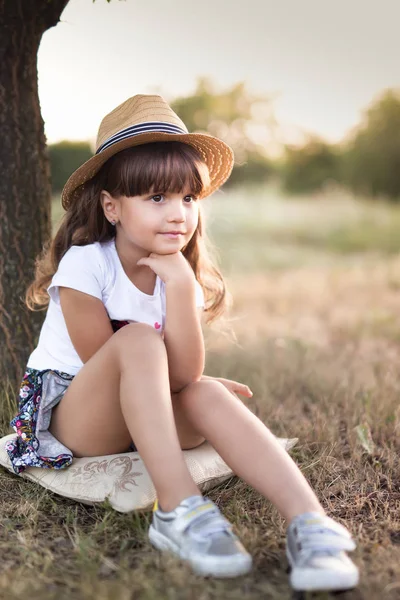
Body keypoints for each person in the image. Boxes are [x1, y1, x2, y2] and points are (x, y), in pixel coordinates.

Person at [6, 94, 359, 592]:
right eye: (156, 198)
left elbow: (184, 378)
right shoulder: (87, 265)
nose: (178, 214)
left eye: (188, 199)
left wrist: (183, 290)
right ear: (111, 206)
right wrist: (167, 346)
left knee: (208, 394)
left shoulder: (176, 272)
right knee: (138, 342)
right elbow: (103, 361)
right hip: (76, 416)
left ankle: (311, 524)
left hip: (139, 410)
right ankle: (177, 510)